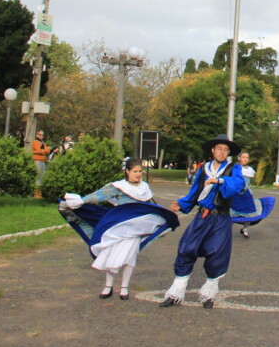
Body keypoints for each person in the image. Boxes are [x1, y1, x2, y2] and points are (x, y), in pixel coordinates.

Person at [58, 158, 178, 300]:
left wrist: (163, 218)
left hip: (137, 228)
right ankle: (108, 287)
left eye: (140, 171)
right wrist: (81, 201)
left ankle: (124, 288)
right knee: (112, 254)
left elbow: (150, 205)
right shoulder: (119, 186)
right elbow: (99, 195)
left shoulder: (144, 187)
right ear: (127, 171)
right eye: (135, 171)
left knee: (130, 256)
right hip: (119, 226)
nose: (138, 174)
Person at [159, 135, 246, 308]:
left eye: (225, 150)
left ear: (228, 153)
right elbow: (195, 191)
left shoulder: (233, 169)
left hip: (220, 218)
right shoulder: (204, 169)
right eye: (219, 148)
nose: (222, 152)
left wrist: (220, 180)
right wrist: (182, 204)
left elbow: (238, 185)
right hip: (202, 216)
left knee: (216, 253)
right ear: (213, 150)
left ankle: (209, 294)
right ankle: (176, 291)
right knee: (186, 248)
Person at [231, 151, 275, 239]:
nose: (245, 159)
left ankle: (245, 229)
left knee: (250, 212)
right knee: (233, 212)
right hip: (237, 193)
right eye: (243, 157)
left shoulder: (250, 169)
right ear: (239, 158)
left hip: (247, 193)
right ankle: (227, 229)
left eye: (247, 157)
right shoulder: (235, 168)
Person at [31, 130, 50, 196]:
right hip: (37, 160)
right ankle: (35, 193)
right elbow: (39, 150)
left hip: (43, 161)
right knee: (37, 175)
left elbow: (48, 150)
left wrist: (42, 151)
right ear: (37, 135)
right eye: (40, 134)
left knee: (42, 176)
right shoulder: (35, 142)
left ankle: (40, 193)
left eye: (42, 135)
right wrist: (41, 151)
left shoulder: (43, 143)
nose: (41, 136)